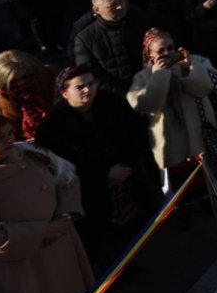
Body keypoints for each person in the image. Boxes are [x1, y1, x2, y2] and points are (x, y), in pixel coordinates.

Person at [35, 65, 159, 270]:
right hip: (89, 190)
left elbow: (135, 135)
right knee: (99, 238)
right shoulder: (52, 127)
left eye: (91, 83)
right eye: (80, 87)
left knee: (132, 227)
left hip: (125, 177)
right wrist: (103, 174)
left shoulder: (112, 103)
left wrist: (126, 166)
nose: (88, 90)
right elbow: (64, 162)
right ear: (65, 93)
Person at [0, 111, 94, 293]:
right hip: (21, 271)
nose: (8, 140)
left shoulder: (34, 154)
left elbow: (67, 179)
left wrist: (65, 214)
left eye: (9, 133)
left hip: (60, 252)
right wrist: (44, 231)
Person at [127, 29, 214, 192]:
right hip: (171, 141)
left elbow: (206, 87)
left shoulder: (191, 62)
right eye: (161, 51)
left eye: (170, 47)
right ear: (150, 54)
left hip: (198, 134)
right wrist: (160, 75)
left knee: (208, 182)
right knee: (181, 187)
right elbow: (147, 104)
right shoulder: (143, 77)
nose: (167, 53)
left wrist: (190, 68)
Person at [73, 0, 152, 97]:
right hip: (114, 98)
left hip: (149, 84)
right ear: (96, 9)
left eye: (121, 2)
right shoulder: (86, 38)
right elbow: (89, 73)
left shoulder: (139, 22)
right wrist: (126, 92)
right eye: (113, 5)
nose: (120, 7)